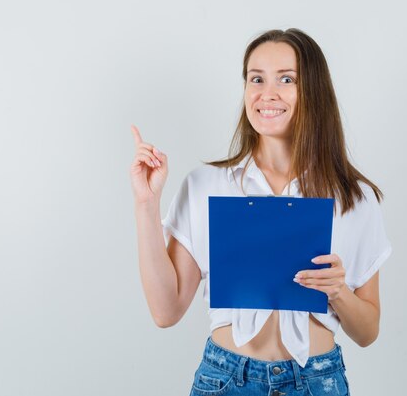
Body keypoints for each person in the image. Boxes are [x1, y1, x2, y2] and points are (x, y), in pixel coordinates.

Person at [130, 28, 392, 396]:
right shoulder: (207, 185)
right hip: (226, 379)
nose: (267, 93)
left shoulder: (354, 196)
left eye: (286, 79)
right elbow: (165, 311)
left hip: (317, 381)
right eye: (256, 79)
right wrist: (146, 203)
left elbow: (368, 332)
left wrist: (338, 292)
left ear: (313, 92)